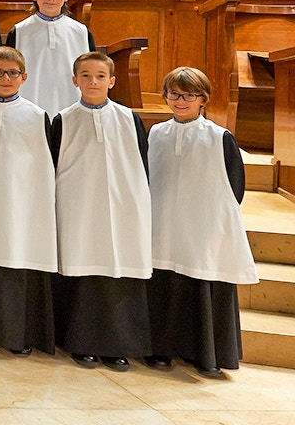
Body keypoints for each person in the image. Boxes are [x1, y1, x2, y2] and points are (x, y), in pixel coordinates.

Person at [146, 67, 256, 377]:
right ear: (166, 96)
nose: (181, 101)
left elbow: (234, 186)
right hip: (164, 224)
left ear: (202, 99)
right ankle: (161, 351)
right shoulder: (157, 133)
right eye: (174, 94)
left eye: (189, 95)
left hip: (203, 225)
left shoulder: (219, 137)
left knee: (202, 283)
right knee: (164, 284)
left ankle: (205, 354)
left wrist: (212, 220)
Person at [55, 51, 152, 371]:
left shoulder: (128, 118)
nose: (92, 81)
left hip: (122, 206)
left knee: (118, 271)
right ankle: (81, 343)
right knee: (82, 273)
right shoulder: (63, 119)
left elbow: (142, 162)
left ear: (112, 81)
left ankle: (117, 345)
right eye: (85, 76)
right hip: (79, 207)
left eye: (99, 76)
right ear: (74, 81)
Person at [0, 46, 58, 356]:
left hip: (20, 203)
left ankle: (15, 333)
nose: (5, 78)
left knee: (13, 260)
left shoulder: (37, 116)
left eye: (12, 73)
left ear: (24, 77)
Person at [4, 0, 95, 118]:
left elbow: (92, 68)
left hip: (71, 102)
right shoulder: (20, 31)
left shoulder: (80, 32)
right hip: (30, 102)